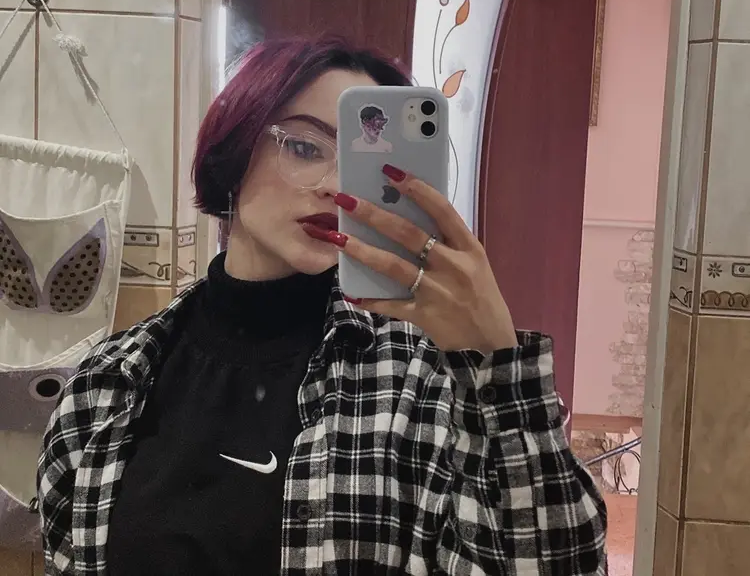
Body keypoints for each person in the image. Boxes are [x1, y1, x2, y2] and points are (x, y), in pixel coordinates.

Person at [37, 35, 607, 575]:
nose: (337, 185)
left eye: (364, 163)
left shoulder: (421, 380)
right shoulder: (109, 382)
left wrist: (498, 365)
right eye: (305, 147)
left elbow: (553, 563)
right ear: (235, 149)